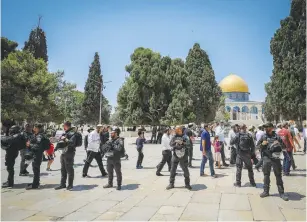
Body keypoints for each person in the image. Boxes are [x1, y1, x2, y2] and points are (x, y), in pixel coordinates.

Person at [257, 122, 288, 201]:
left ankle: (281, 193)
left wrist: (279, 143)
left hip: (276, 159)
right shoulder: (263, 136)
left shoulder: (277, 136)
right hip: (266, 158)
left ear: (271, 128)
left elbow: (284, 147)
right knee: (266, 175)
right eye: (265, 128)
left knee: (278, 175)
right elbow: (257, 146)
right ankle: (266, 191)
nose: (266, 129)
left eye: (267, 127)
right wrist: (262, 145)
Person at [166, 126, 191, 190]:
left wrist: (182, 142)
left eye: (179, 130)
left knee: (185, 170)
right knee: (172, 170)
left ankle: (187, 184)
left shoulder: (185, 137)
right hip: (175, 156)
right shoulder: (174, 137)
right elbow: (170, 144)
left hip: (183, 156)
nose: (178, 131)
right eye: (177, 130)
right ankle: (171, 183)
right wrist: (175, 142)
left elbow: (189, 144)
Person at [55, 121, 77, 191]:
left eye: (63, 126)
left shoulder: (72, 133)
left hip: (69, 153)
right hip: (64, 152)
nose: (63, 127)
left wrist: (64, 138)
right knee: (63, 169)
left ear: (66, 126)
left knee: (69, 169)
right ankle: (62, 184)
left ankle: (70, 185)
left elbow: (71, 142)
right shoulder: (65, 133)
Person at [26, 123, 49, 190]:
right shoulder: (36, 135)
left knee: (36, 169)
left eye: (35, 127)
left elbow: (37, 147)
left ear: (37, 128)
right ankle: (35, 182)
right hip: (35, 154)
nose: (33, 128)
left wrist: (29, 145)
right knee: (35, 169)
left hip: (37, 155)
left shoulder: (39, 136)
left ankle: (35, 184)